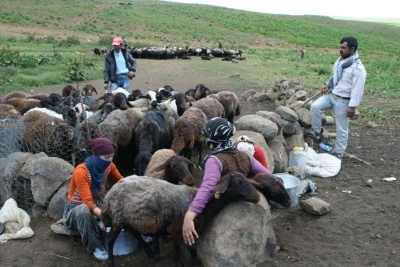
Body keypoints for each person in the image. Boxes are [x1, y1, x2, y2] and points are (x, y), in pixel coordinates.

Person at [182, 118, 272, 246]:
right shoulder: (243, 155)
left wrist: (190, 215)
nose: (205, 139)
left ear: (213, 138)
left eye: (207, 136)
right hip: (243, 199)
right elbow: (266, 174)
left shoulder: (215, 160)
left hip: (222, 203)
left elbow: (208, 187)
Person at [63, 137, 123, 261]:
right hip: (77, 207)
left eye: (111, 156)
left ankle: (132, 232)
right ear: (96, 156)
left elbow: (122, 181)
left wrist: (136, 183)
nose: (109, 160)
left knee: (119, 197)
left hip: (98, 201)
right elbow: (87, 202)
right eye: (106, 157)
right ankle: (95, 245)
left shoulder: (109, 166)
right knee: (83, 211)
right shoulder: (81, 172)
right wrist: (104, 216)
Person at [309, 36, 367, 159]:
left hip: (344, 101)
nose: (340, 50)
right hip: (332, 95)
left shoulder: (358, 69)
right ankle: (316, 135)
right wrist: (327, 84)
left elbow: (358, 90)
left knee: (341, 128)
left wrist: (352, 107)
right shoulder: (341, 60)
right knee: (315, 107)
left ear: (352, 49)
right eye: (340, 47)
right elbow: (335, 75)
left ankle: (338, 152)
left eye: (343, 48)